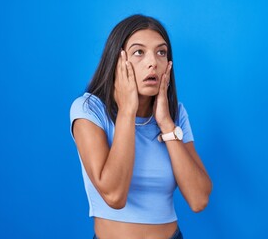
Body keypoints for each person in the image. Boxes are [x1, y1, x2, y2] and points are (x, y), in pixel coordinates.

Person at [70, 14, 212, 239]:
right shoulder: (89, 109)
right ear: (117, 61)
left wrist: (166, 125)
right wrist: (127, 111)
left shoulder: (176, 114)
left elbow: (199, 199)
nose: (152, 62)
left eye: (161, 52)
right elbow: (115, 195)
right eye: (139, 52)